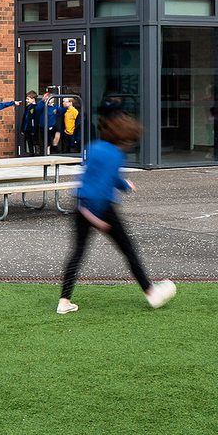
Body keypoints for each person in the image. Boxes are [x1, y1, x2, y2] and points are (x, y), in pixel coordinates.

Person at [55, 104, 176, 314]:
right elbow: (106, 182)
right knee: (128, 249)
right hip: (100, 208)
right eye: (129, 141)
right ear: (123, 137)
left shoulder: (94, 147)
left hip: (81, 203)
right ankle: (151, 292)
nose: (129, 145)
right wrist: (99, 218)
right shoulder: (116, 155)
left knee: (77, 253)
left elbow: (98, 176)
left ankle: (64, 301)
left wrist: (123, 185)